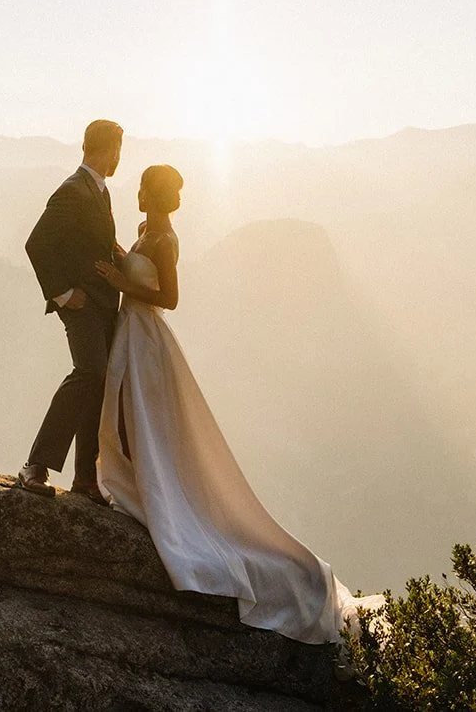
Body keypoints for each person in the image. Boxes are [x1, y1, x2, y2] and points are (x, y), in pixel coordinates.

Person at [93, 164, 380, 645]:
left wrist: (122, 284)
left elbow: (170, 297)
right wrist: (119, 259)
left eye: (143, 189)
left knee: (148, 421)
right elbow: (136, 265)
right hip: (130, 333)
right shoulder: (144, 232)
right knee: (123, 412)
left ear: (156, 196)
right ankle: (130, 481)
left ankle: (156, 491)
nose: (137, 194)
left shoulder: (166, 241)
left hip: (147, 336)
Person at [16, 119, 125, 503]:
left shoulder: (100, 192)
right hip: (80, 305)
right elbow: (37, 243)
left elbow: (97, 245)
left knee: (98, 382)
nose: (118, 158)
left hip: (103, 305)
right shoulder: (72, 190)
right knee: (89, 373)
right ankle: (36, 464)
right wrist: (63, 294)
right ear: (106, 149)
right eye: (117, 150)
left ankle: (84, 479)